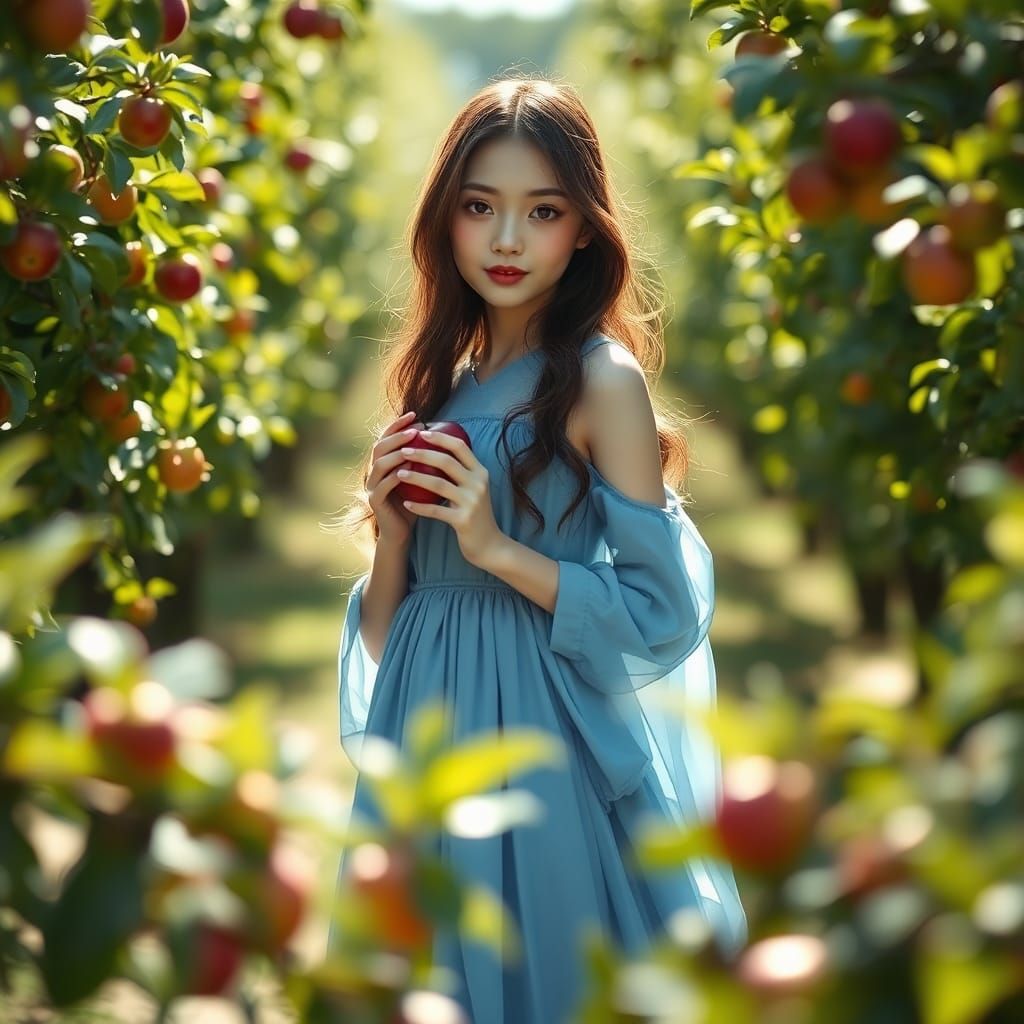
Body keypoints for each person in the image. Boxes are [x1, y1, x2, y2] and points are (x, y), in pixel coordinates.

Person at [331, 74, 747, 1022]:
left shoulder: (604, 383)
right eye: (481, 207)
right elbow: (391, 642)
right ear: (446, 220)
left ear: (586, 228)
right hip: (424, 731)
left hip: (545, 737)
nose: (508, 240)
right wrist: (395, 536)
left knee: (541, 977)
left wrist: (495, 548)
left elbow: (662, 615)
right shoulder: (434, 390)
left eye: (543, 211)